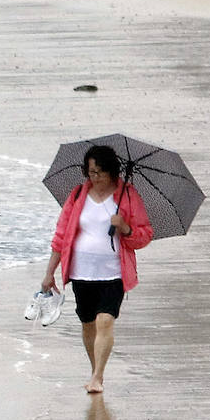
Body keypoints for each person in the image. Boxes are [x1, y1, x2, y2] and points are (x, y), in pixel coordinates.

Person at [42, 144, 153, 394]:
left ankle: (98, 377)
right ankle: (95, 370)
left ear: (112, 172)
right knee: (88, 324)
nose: (95, 178)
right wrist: (49, 272)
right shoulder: (78, 195)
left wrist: (125, 228)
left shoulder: (127, 195)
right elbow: (61, 236)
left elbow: (144, 235)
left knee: (105, 320)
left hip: (113, 272)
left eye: (100, 173)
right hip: (81, 272)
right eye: (91, 172)